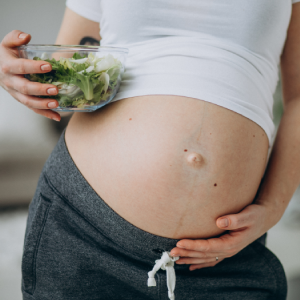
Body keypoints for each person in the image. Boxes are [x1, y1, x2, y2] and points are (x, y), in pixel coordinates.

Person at [1, 0, 299, 299]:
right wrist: (21, 73)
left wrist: (273, 208)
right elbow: (72, 67)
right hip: (85, 227)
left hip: (225, 256)